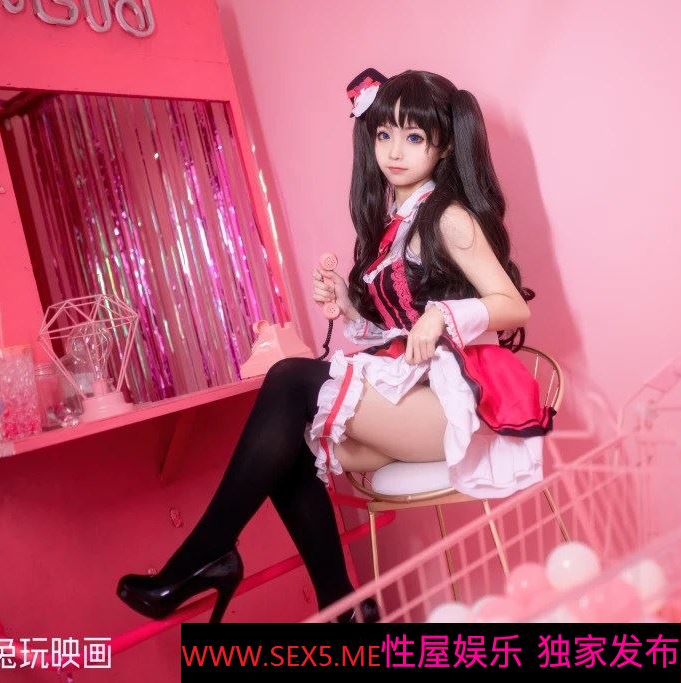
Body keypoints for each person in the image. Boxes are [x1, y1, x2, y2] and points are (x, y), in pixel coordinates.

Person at [116, 68, 555, 625]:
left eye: (413, 137)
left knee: (291, 379)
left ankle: (204, 556)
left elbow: (512, 305)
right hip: (412, 392)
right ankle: (342, 608)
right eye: (383, 134)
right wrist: (350, 307)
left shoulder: (448, 217)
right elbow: (399, 333)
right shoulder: (395, 223)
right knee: (289, 445)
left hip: (451, 406)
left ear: (443, 146)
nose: (393, 151)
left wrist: (442, 316)